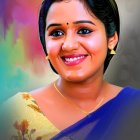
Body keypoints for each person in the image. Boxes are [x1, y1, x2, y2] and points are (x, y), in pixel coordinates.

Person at [1, 0, 140, 140]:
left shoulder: (134, 108)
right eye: (56, 33)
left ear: (111, 39)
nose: (68, 45)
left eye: (84, 31)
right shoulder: (15, 113)